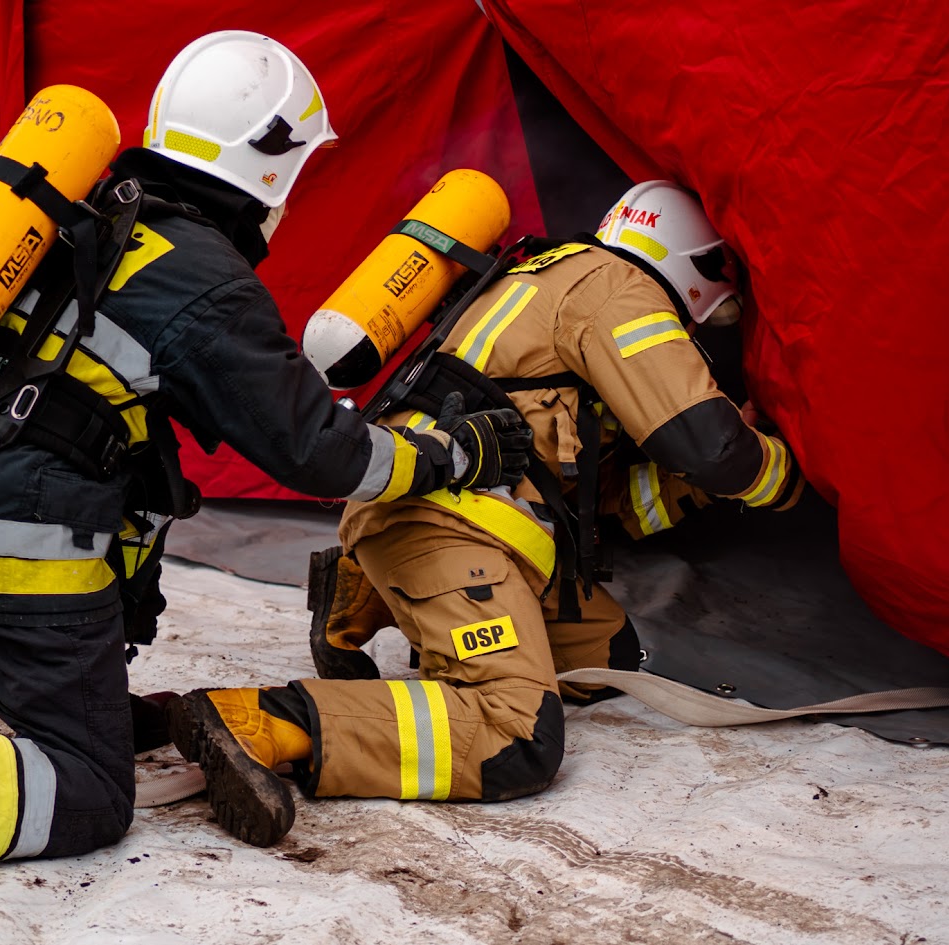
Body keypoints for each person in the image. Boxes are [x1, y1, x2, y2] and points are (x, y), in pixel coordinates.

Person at [0, 30, 532, 932]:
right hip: (12, 539)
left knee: (77, 603)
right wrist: (446, 455)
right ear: (270, 164)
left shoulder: (96, 204)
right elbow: (323, 455)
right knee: (89, 791)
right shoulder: (204, 279)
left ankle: (50, 680)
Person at [166, 180, 806, 847]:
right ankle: (262, 720)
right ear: (695, 270)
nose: (702, 331)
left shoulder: (547, 276)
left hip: (448, 515)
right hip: (446, 523)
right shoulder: (617, 289)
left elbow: (611, 496)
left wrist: (703, 487)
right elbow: (709, 444)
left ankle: (366, 593)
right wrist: (786, 476)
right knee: (516, 731)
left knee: (608, 654)